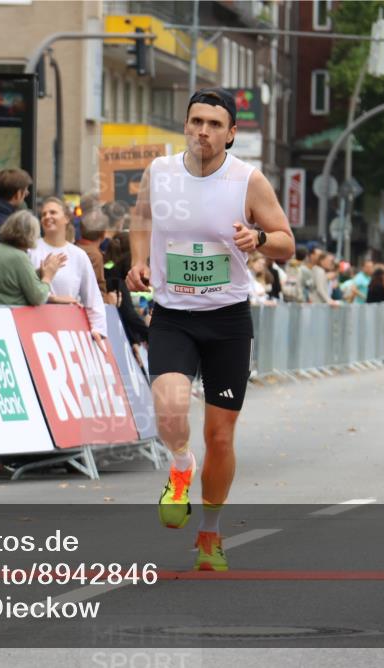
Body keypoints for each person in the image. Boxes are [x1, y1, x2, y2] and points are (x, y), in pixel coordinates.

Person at [126, 87, 295, 571]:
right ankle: (180, 467)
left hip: (227, 320)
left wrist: (258, 237)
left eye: (214, 124)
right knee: (171, 412)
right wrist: (139, 261)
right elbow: (141, 218)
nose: (203, 130)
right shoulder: (159, 172)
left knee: (221, 436)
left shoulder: (248, 180)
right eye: (196, 121)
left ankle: (210, 534)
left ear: (231, 133)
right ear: (186, 125)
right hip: (173, 315)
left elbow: (286, 242)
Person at [28, 197, 108, 339]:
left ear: (66, 218)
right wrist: (53, 298)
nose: (47, 217)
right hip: (35, 330)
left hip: (68, 331)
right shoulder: (31, 251)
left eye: (53, 212)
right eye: (44, 214)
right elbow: (25, 291)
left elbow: (92, 297)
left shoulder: (78, 255)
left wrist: (98, 330)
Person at [0, 210, 70, 307]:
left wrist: (40, 272)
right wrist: (48, 276)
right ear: (31, 235)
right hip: (9, 317)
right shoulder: (19, 257)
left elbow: (13, 281)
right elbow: (38, 298)